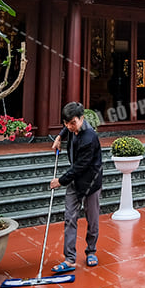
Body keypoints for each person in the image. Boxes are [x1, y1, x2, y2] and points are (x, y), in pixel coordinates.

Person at [50, 101, 103, 273]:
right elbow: (66, 129)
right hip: (74, 181)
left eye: (73, 123)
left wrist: (60, 181)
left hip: (90, 183)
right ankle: (70, 259)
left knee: (92, 219)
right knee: (70, 218)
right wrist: (59, 137)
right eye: (66, 123)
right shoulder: (71, 127)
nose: (69, 126)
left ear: (82, 119)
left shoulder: (89, 138)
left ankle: (91, 251)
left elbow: (80, 166)